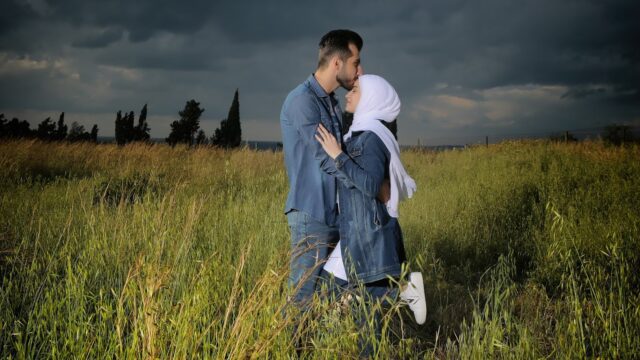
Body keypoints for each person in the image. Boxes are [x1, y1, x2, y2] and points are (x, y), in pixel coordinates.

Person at [315, 74, 427, 332]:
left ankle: (405, 291)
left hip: (367, 233)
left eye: (355, 90)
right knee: (332, 293)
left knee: (365, 311)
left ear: (371, 99)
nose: (348, 94)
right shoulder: (359, 134)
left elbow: (371, 185)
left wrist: (337, 156)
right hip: (354, 231)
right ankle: (405, 291)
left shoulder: (371, 139)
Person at [280, 29, 364, 310]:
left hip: (334, 214)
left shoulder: (330, 103)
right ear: (337, 63)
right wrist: (363, 182)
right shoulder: (302, 100)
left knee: (332, 293)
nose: (359, 70)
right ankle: (290, 351)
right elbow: (326, 158)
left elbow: (341, 151)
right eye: (355, 63)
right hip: (311, 213)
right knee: (301, 297)